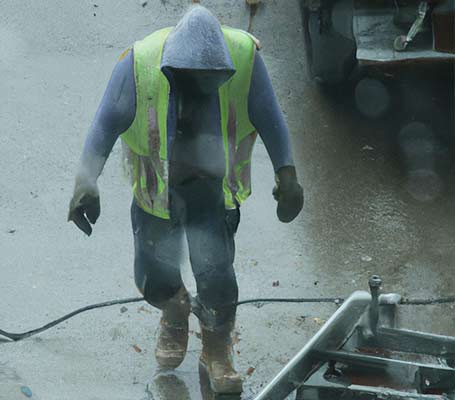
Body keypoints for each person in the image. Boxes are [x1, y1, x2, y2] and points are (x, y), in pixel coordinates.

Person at [68, 5, 303, 394]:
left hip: (212, 192)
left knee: (217, 278)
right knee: (152, 276)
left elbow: (269, 115)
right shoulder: (139, 64)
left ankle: (217, 351)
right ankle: (174, 312)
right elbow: (104, 123)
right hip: (157, 189)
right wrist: (85, 182)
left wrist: (288, 175)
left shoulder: (244, 58)